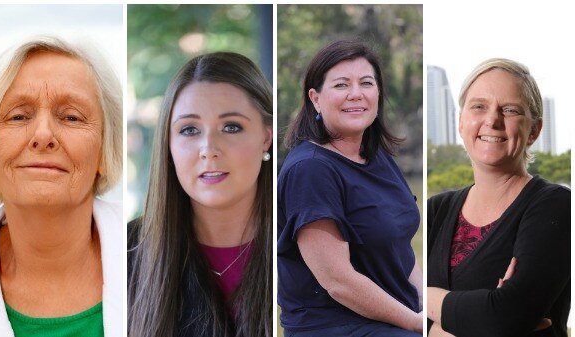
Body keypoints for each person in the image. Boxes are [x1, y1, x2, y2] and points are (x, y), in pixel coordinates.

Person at [0, 36, 123, 337]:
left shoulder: (149, 258)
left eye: (71, 117)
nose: (43, 135)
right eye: (18, 116)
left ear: (104, 151)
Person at [278, 40, 423, 337]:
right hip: (338, 325)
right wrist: (417, 324)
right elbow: (338, 282)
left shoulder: (377, 156)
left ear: (378, 93)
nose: (356, 94)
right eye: (342, 85)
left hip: (396, 318)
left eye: (366, 83)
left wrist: (427, 307)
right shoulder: (310, 169)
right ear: (315, 99)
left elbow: (400, 248)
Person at [127, 52, 273, 337]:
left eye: (231, 127)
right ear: (168, 144)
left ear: (265, 137)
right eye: (189, 130)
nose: (209, 148)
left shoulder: (291, 239)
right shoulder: (125, 253)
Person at [427, 58, 570, 337]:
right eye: (479, 106)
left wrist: (431, 306)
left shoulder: (556, 206)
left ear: (534, 130)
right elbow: (407, 308)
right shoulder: (436, 210)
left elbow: (505, 315)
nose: (492, 120)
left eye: (510, 109)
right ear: (460, 122)